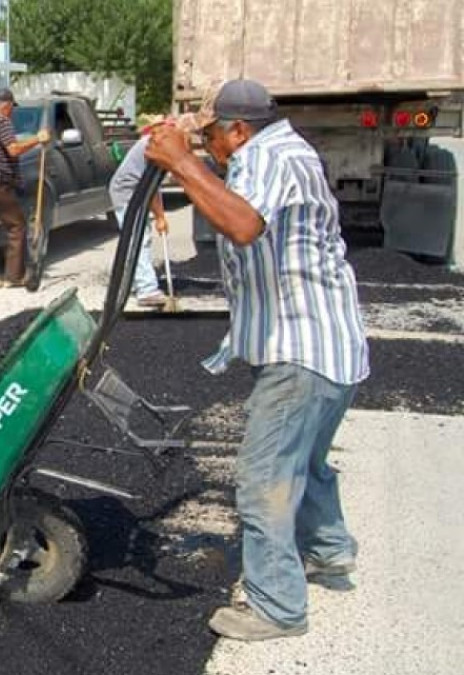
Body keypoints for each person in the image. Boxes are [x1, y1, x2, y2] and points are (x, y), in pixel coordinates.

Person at [146, 80, 368, 641]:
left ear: (240, 130)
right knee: (306, 462)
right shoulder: (275, 152)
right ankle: (329, 551)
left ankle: (277, 609)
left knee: (264, 475)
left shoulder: (273, 157)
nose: (212, 144)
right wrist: (188, 155)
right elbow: (237, 204)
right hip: (325, 345)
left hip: (302, 349)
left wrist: (182, 164)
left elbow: (244, 225)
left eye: (216, 135)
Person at [0, 87, 51, 290]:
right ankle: (14, 276)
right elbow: (13, 150)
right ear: (6, 105)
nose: (12, 112)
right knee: (17, 226)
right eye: (11, 108)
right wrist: (37, 139)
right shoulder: (2, 122)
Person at [107, 125, 174, 307]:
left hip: (134, 190)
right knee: (139, 239)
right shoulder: (155, 149)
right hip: (127, 192)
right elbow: (151, 188)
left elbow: (153, 187)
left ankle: (135, 282)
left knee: (138, 238)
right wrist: (160, 217)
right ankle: (146, 290)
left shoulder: (158, 142)